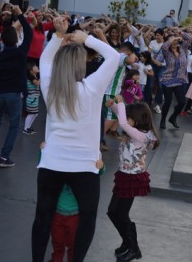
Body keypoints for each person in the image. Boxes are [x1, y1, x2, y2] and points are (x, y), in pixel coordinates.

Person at [31, 17, 120, 261]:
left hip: (52, 163)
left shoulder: (50, 87)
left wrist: (59, 35)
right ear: (80, 66)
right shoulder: (92, 88)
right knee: (88, 218)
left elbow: (45, 60)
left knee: (43, 216)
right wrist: (86, 39)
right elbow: (114, 57)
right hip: (84, 167)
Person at [105, 95, 160, 262]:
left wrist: (121, 103)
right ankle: (127, 242)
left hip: (132, 178)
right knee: (113, 212)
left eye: (129, 117)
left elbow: (122, 123)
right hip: (124, 175)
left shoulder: (141, 136)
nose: (126, 119)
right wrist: (114, 106)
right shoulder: (137, 130)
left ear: (137, 119)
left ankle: (134, 248)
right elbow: (123, 119)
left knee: (120, 214)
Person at [0, 5, 32, 167]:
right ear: (16, 39)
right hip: (14, 93)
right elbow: (29, 32)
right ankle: (4, 157)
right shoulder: (21, 53)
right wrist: (20, 14)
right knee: (14, 126)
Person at [159, 30, 192, 129]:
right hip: (168, 79)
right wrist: (172, 38)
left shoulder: (182, 49)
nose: (175, 42)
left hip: (180, 79)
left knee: (182, 101)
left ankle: (173, 118)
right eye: (172, 40)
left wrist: (180, 33)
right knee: (168, 102)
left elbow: (189, 38)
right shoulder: (167, 51)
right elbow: (164, 46)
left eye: (176, 41)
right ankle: (163, 120)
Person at [23, 61, 41, 135]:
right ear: (31, 70)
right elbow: (37, 83)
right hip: (31, 99)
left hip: (34, 98)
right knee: (31, 113)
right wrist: (43, 75)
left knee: (35, 113)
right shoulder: (31, 76)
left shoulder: (35, 76)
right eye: (35, 67)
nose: (37, 67)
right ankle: (25, 129)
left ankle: (28, 127)